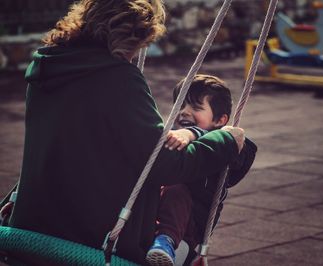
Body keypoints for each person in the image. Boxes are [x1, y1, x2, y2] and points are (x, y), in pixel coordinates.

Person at [1, 1, 246, 265]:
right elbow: (161, 163)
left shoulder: (48, 68)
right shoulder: (118, 78)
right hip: (92, 239)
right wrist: (226, 140)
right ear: (133, 37)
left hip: (32, 227)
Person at [145, 75, 257, 266]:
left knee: (176, 189)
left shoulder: (225, 150)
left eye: (196, 108)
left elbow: (239, 150)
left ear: (220, 120)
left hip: (191, 228)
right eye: (181, 106)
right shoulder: (171, 136)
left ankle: (168, 243)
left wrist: (190, 133)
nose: (184, 113)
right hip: (155, 218)